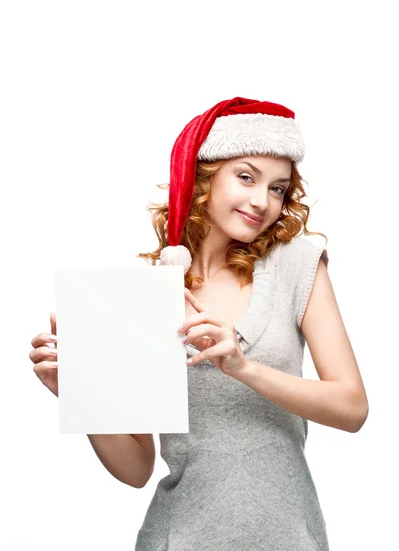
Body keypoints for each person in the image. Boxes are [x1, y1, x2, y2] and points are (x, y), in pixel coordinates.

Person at [30, 96, 368, 550]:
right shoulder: (149, 294)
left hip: (287, 537)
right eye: (246, 177)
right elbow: (136, 470)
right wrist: (82, 391)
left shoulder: (297, 266)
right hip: (177, 537)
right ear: (204, 177)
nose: (262, 200)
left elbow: (352, 408)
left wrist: (244, 368)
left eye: (277, 188)